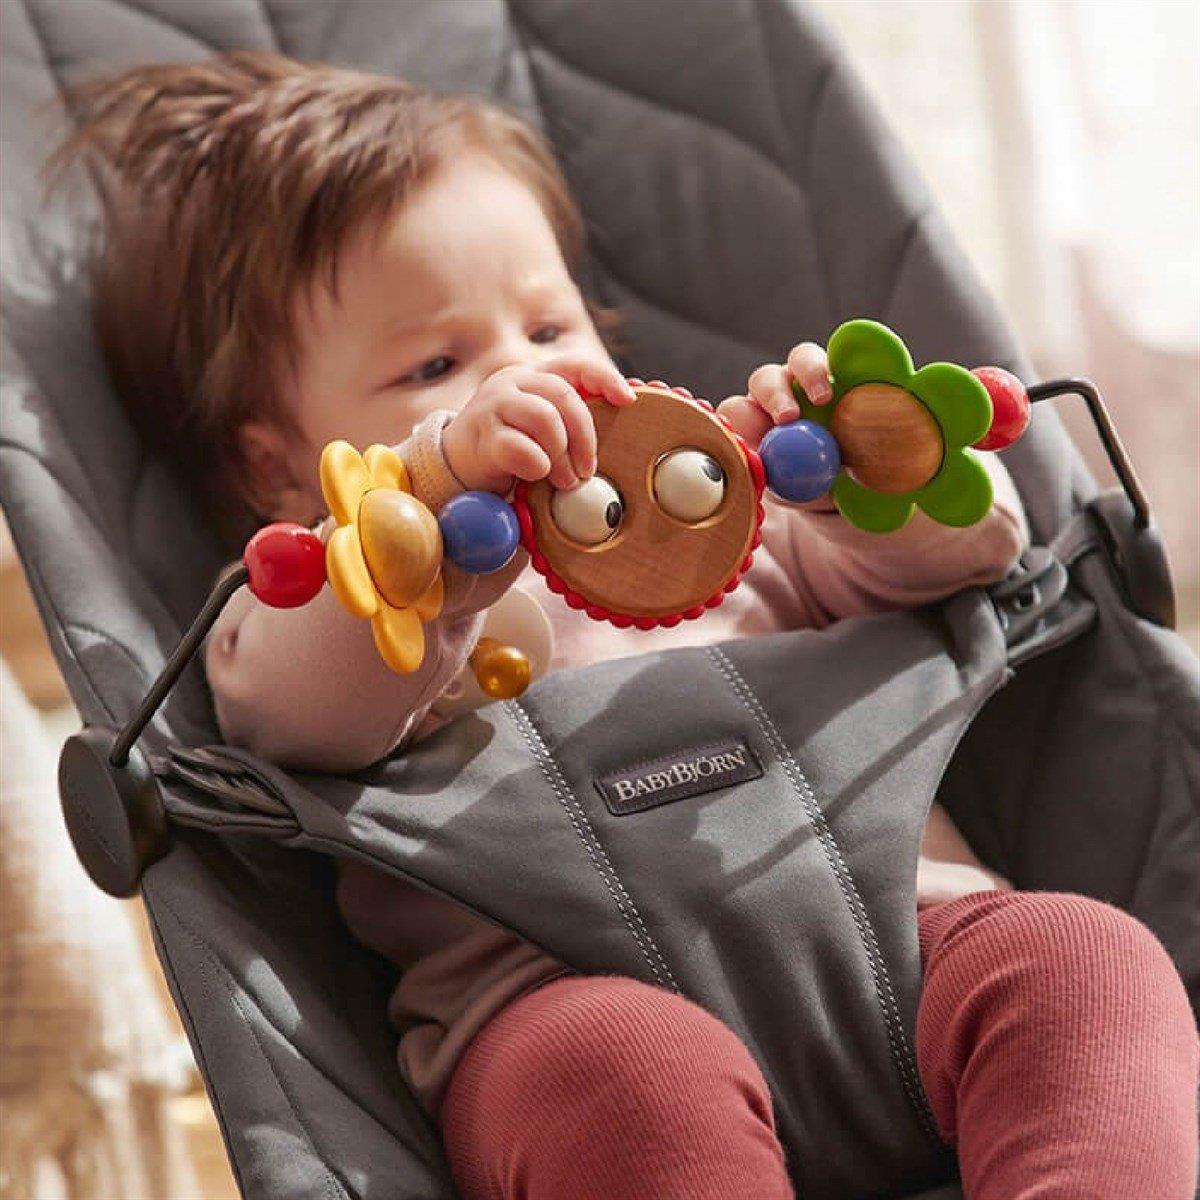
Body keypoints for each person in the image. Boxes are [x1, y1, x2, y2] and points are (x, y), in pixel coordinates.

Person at [58, 51, 1198, 1200]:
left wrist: (861, 468)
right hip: (568, 1005)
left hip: (907, 939)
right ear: (276, 469)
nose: (527, 384)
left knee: (1085, 960)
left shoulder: (749, 529)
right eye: (437, 365)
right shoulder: (319, 587)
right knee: (618, 1082)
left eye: (551, 327)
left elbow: (979, 553)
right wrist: (437, 510)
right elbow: (299, 708)